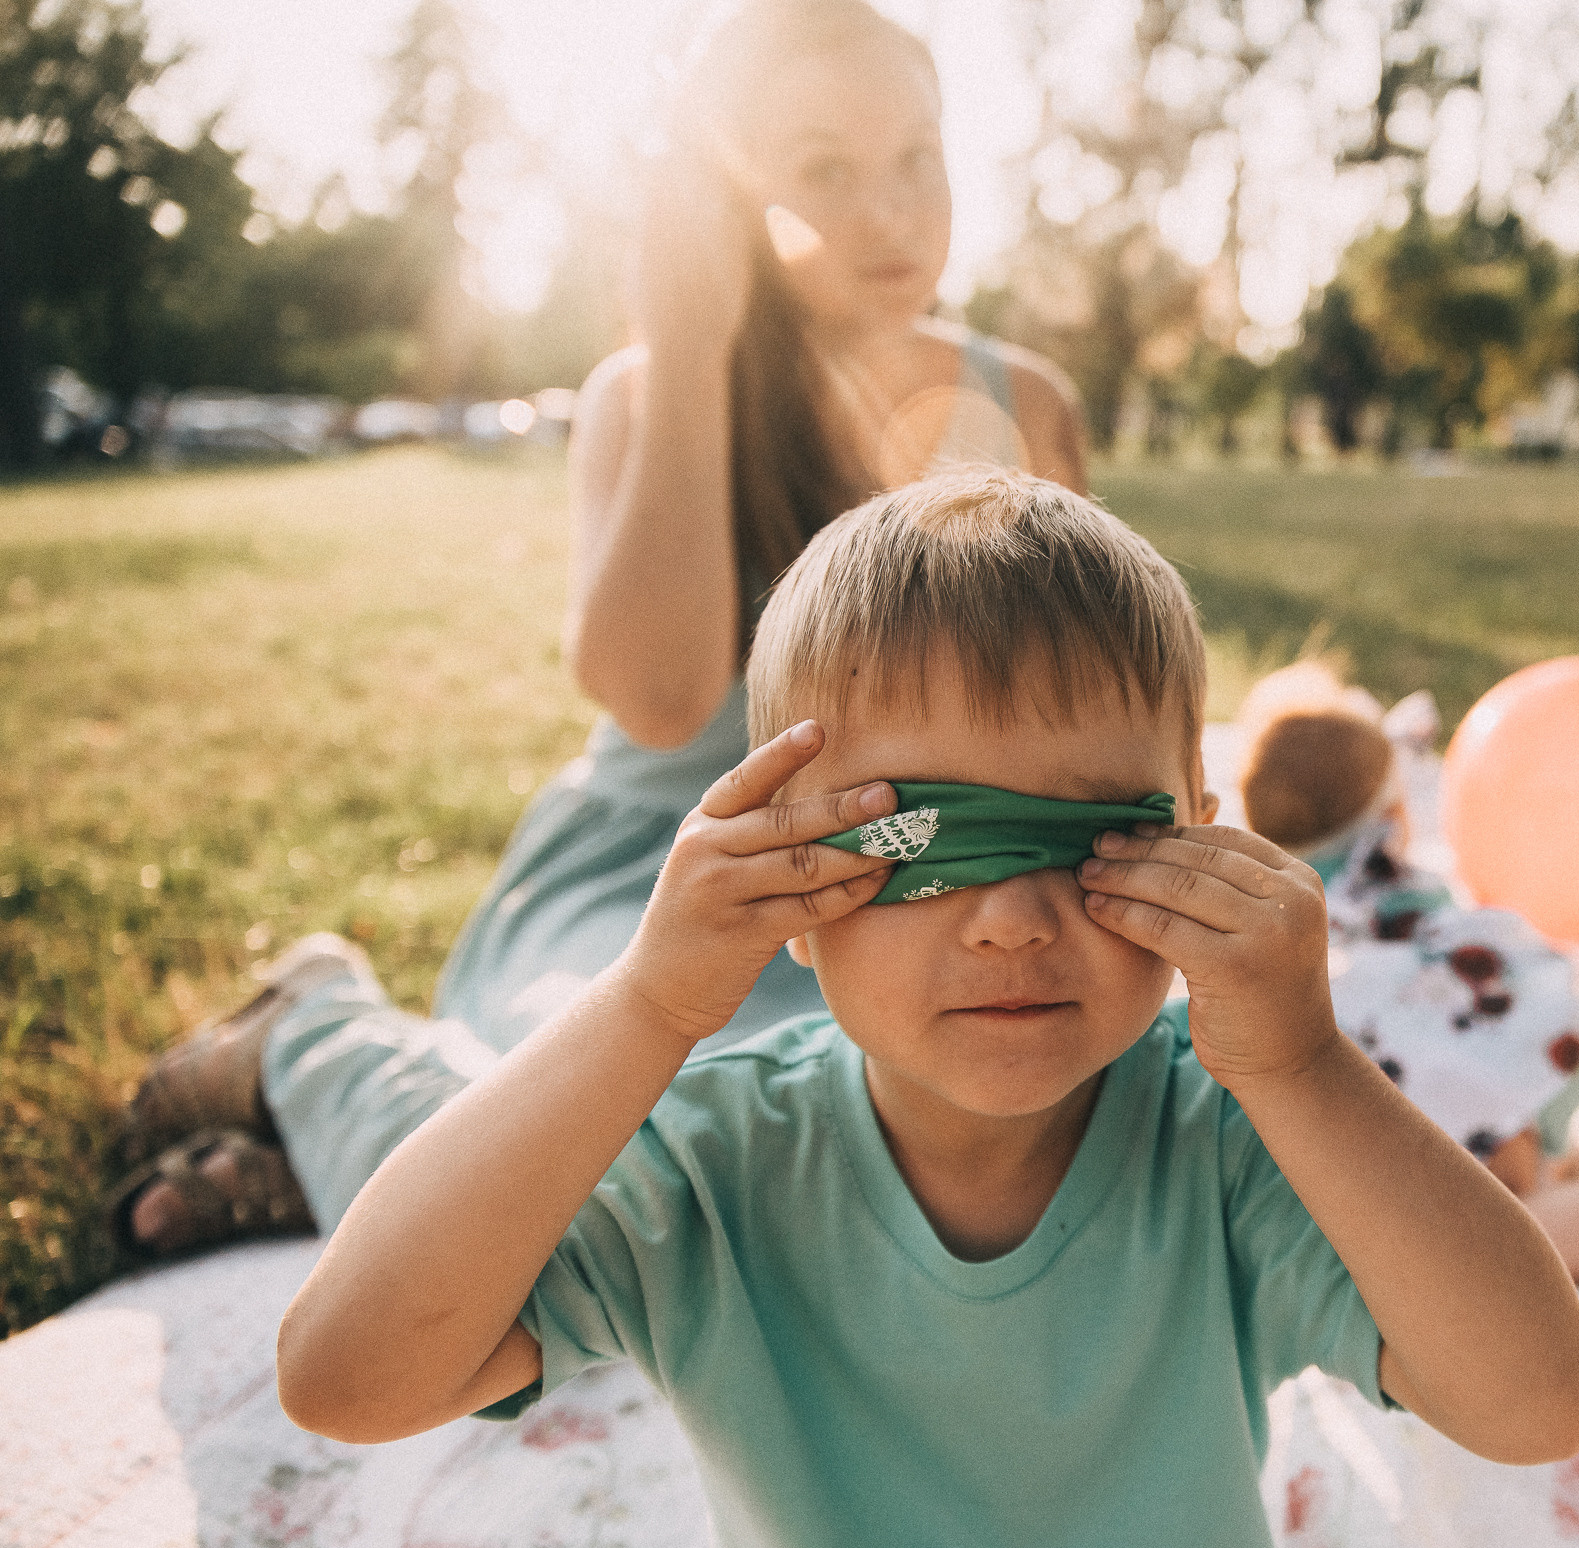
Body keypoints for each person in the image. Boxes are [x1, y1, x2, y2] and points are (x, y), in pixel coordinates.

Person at [273, 468, 1579, 1548]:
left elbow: (1536, 1404)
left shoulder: (1229, 1138)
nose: (1013, 920)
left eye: (1090, 839)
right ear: (788, 878)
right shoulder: (713, 1168)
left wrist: (1307, 1067)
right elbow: (346, 1376)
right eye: (926, 843)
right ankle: (297, 1032)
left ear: (1195, 835)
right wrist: (647, 1007)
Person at [108, 0, 1086, 1254]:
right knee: (711, 1155)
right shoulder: (650, 393)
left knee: (980, 1142)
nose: (890, 210)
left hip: (924, 879)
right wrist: (692, 352)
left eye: (918, 157)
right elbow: (662, 697)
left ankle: (367, 1150)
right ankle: (314, 1040)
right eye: (823, 171)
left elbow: (1071, 704)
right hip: (667, 874)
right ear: (736, 198)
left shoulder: (1030, 405)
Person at [1235, 662, 1579, 1344]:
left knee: (1455, 1254)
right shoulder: (1418, 903)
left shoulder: (1293, 921)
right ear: (1394, 818)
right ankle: (1556, 1168)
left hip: (1427, 1107)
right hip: (1489, 1064)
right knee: (1505, 1172)